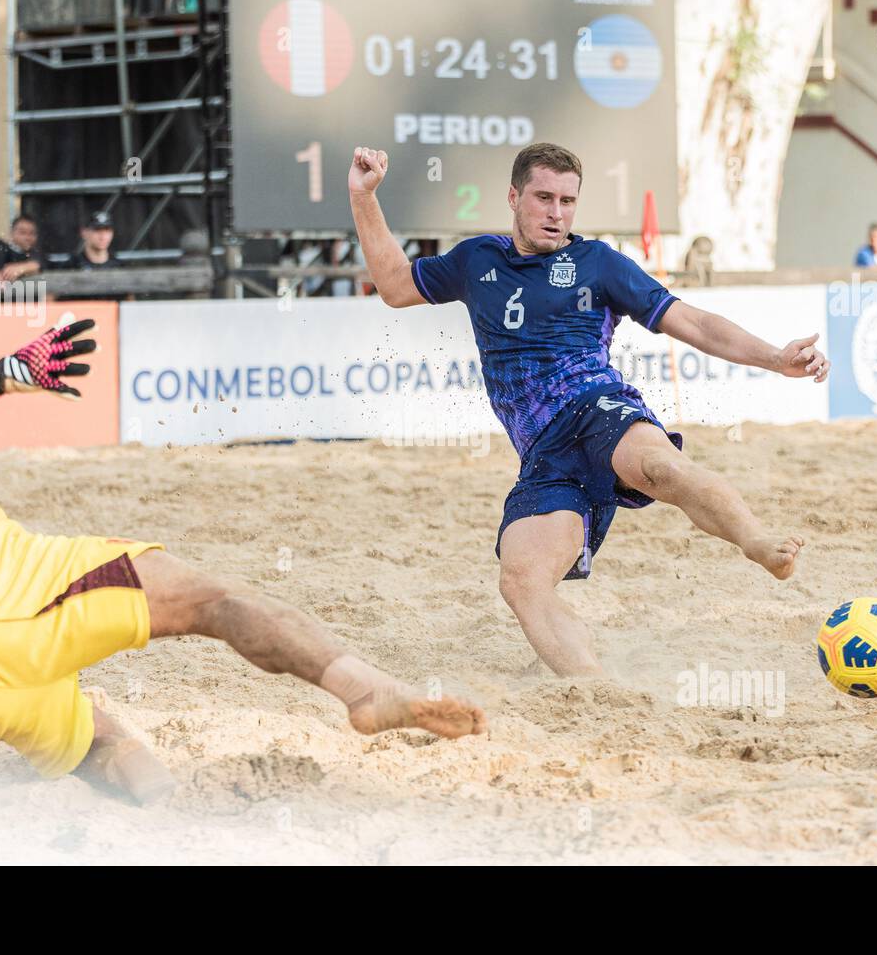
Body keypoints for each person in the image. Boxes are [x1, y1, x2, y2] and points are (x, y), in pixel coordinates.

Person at [0, 272, 484, 804]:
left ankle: (166, 825)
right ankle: (366, 692)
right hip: (1, 593)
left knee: (107, 745)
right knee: (215, 600)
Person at [348, 143, 829, 677]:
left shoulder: (597, 263)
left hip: (596, 406)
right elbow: (393, 286)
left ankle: (757, 541)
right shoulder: (476, 259)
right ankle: (594, 688)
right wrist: (363, 195)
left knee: (660, 467)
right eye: (544, 198)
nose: (556, 212)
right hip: (542, 453)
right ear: (514, 197)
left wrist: (774, 357)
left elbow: (691, 323)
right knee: (521, 581)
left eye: (568, 201)